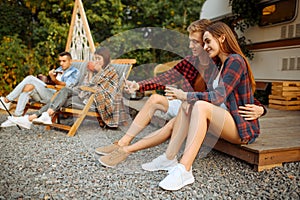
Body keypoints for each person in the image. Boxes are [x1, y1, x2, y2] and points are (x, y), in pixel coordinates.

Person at [96, 19, 267, 168]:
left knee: (176, 120)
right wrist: (138, 86)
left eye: (197, 42)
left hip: (203, 108)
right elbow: (166, 77)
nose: (191, 45)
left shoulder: (222, 61)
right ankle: (123, 143)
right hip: (195, 104)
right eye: (192, 41)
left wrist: (261, 109)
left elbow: (238, 94)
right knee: (156, 99)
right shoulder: (192, 61)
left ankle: (131, 151)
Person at [149, 21, 262, 191]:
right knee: (188, 105)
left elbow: (218, 96)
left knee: (199, 105)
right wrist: (186, 99)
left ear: (222, 38)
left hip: (241, 128)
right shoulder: (218, 65)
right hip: (225, 121)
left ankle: (185, 169)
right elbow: (237, 95)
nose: (206, 46)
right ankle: (169, 158)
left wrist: (184, 95)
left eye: (208, 41)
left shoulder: (235, 61)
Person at [8, 47, 127, 129]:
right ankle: (41, 116)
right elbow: (86, 84)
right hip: (82, 94)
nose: (96, 61)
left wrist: (96, 71)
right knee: (61, 95)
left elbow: (106, 90)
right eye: (95, 58)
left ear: (105, 59)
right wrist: (90, 73)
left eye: (99, 59)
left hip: (94, 100)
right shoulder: (94, 71)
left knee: (62, 93)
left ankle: (33, 117)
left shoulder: (111, 72)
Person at [0, 52, 80, 127]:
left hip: (56, 97)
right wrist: (47, 78)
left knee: (30, 78)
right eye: (60, 61)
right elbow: (53, 82)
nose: (61, 63)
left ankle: (7, 100)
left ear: (70, 61)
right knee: (29, 87)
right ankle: (17, 117)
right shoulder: (60, 69)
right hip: (49, 92)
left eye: (64, 61)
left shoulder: (75, 72)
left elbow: (66, 87)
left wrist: (53, 79)